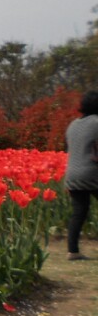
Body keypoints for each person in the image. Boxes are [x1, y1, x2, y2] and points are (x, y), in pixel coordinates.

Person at [64, 90, 98, 260]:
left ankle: (73, 251)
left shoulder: (73, 124)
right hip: (92, 172)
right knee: (80, 211)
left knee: (79, 212)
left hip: (72, 173)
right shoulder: (97, 122)